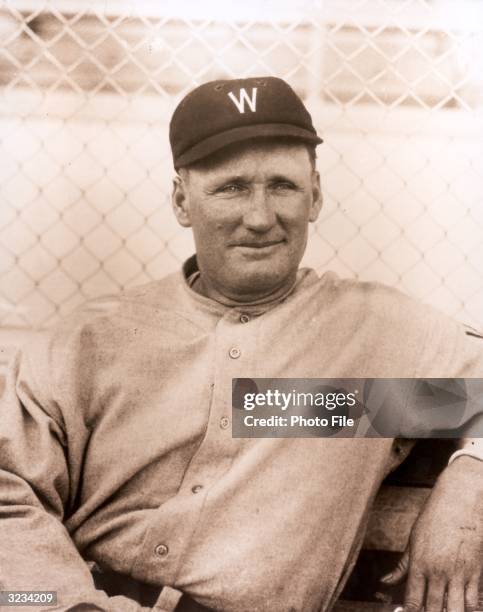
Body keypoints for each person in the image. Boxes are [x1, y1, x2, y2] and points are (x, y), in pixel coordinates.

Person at [0, 76, 482, 612]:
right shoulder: (97, 336)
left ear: (315, 196)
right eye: (230, 188)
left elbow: (476, 396)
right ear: (183, 200)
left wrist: (471, 485)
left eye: (282, 186)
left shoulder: (379, 332)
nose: (259, 218)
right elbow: (9, 483)